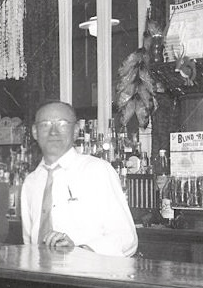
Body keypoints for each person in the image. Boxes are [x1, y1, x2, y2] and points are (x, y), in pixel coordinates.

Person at [19, 100, 137, 257]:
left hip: (85, 277)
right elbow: (29, 245)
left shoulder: (97, 171)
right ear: (35, 132)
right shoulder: (30, 182)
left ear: (75, 131)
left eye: (62, 124)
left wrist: (80, 251)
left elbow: (127, 239)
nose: (53, 131)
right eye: (45, 124)